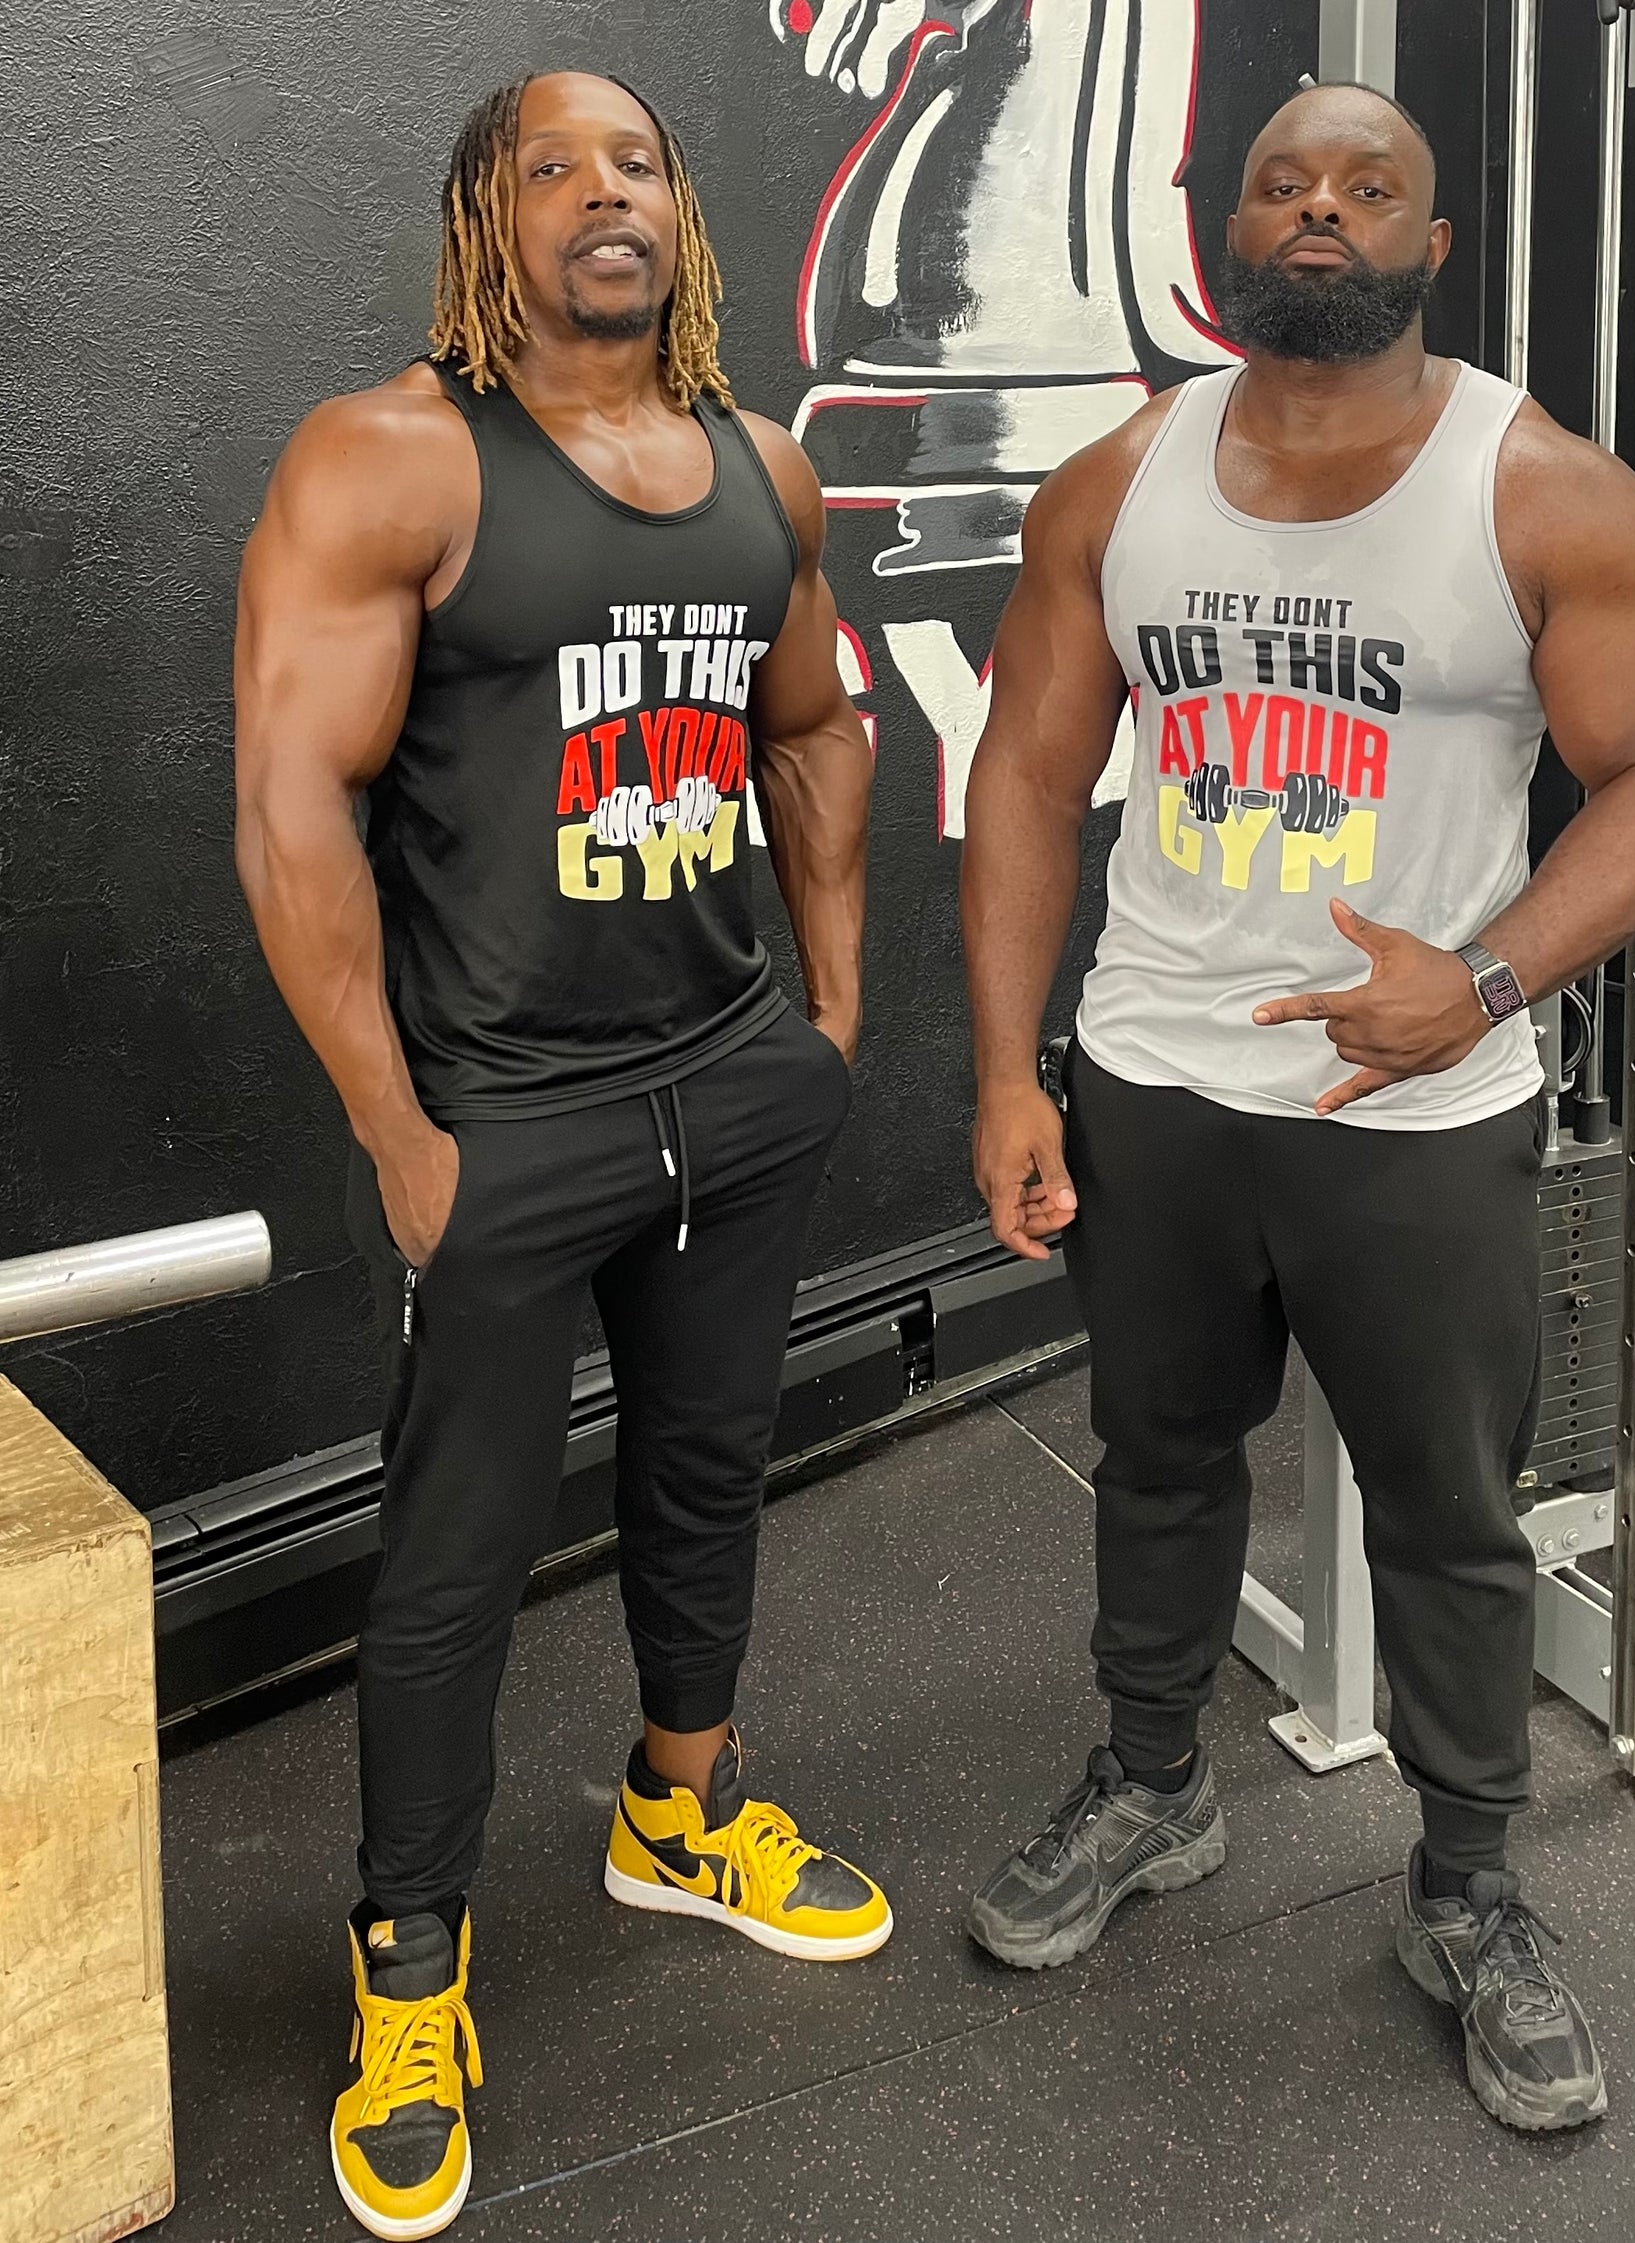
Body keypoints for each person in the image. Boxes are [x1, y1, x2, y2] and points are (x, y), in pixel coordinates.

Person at [959, 81, 1635, 2134]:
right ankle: (1151, 1786)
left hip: (1416, 1108)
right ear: (1231, 233)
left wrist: (1475, 982)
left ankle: (1469, 1890)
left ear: (1428, 243)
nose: (1319, 209)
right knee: (1157, 1459)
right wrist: (1004, 1074)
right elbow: (1024, 773)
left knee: (1451, 1515)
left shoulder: (1538, 490)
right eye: (1281, 183)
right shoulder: (1118, 483)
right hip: (1156, 1076)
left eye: (1366, 188)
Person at [234, 71, 885, 2239]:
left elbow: (811, 729)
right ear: (480, 221)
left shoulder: (761, 468)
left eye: (638, 163)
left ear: (678, 212)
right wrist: (399, 1133)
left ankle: (678, 1816)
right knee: (454, 1560)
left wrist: (830, 1018)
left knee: (709, 1468)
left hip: (734, 1081)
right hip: (505, 1119)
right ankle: (409, 1965)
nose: (605, 193)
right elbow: (291, 813)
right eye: (550, 167)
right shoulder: (392, 460)